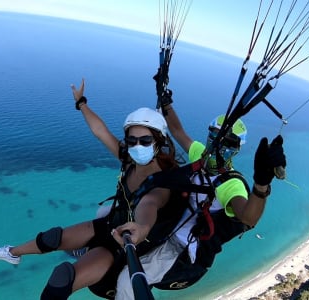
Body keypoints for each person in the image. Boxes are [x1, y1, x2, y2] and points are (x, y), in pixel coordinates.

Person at [0, 79, 187, 300]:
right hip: (110, 223)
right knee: (52, 238)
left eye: (145, 140)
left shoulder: (164, 183)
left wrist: (142, 228)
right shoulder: (129, 161)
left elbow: (150, 204)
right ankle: (12, 253)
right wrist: (81, 102)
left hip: (123, 242)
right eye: (132, 140)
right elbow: (100, 132)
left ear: (158, 141)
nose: (137, 146)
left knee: (62, 278)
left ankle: (84, 254)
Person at [113, 99, 286, 299]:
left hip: (182, 249)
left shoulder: (231, 184)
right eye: (215, 135)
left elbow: (248, 217)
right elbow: (177, 131)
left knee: (127, 281)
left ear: (237, 149)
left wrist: (261, 185)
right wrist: (166, 100)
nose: (219, 143)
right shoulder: (200, 156)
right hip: (168, 227)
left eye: (228, 142)